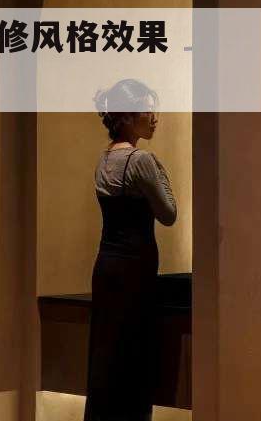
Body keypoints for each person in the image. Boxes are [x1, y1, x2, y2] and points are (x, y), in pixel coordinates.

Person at [84, 79, 177, 421]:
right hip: (135, 268)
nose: (154, 118)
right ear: (127, 117)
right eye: (147, 111)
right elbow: (169, 213)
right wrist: (161, 173)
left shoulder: (104, 158)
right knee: (134, 355)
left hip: (106, 265)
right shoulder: (142, 160)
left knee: (106, 357)